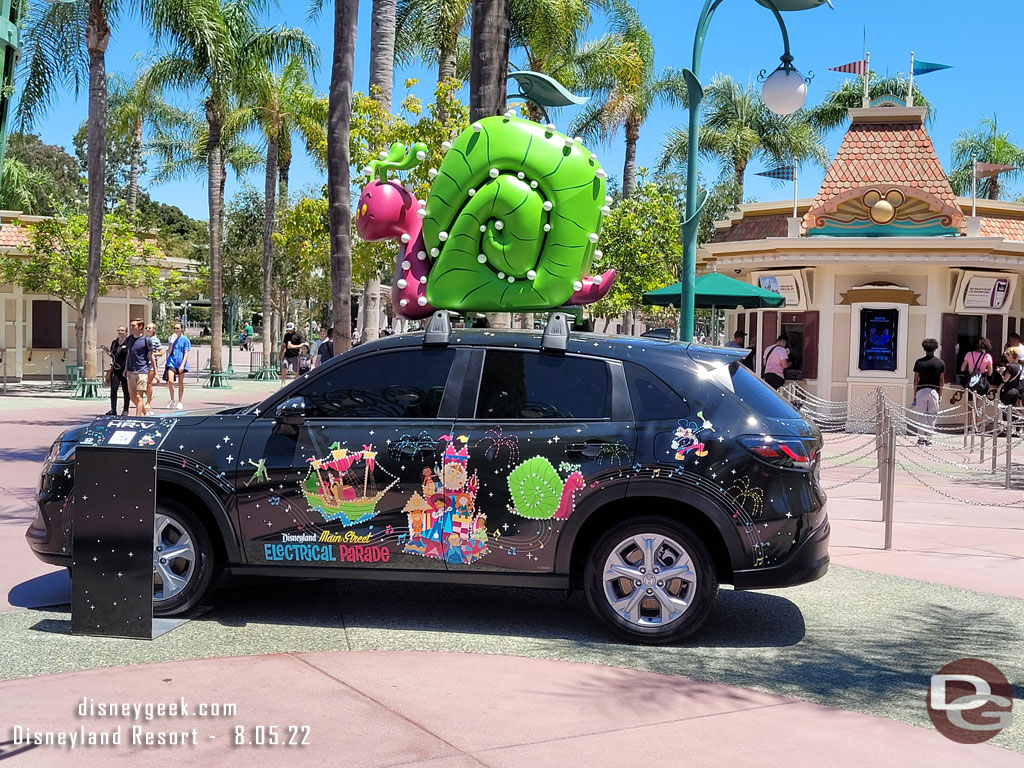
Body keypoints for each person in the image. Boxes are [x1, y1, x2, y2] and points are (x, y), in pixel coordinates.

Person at [911, 338, 944, 446]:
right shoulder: (940, 363)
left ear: (924, 348)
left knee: (921, 416)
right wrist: (940, 394)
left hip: (921, 390)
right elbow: (941, 380)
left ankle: (920, 439)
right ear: (935, 349)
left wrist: (914, 395)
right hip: (934, 391)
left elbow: (916, 379)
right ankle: (929, 440)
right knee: (932, 416)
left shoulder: (919, 362)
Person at [123, 319, 151, 415]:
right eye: (131, 326)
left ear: (140, 327)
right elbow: (128, 354)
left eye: (134, 326)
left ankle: (137, 417)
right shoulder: (129, 339)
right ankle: (145, 413)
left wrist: (154, 370)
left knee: (139, 396)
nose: (131, 328)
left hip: (142, 370)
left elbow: (150, 355)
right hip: (131, 370)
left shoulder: (146, 340)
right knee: (132, 397)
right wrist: (125, 369)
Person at [101, 325, 130, 416]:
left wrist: (128, 369)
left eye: (122, 330)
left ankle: (125, 409)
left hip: (125, 369)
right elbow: (112, 355)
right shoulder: (114, 343)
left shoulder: (128, 342)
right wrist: (107, 351)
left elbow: (130, 356)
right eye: (119, 330)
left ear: (126, 332)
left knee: (126, 390)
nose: (120, 332)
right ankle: (113, 409)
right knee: (114, 389)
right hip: (116, 369)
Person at [164, 321, 191, 410]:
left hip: (181, 363)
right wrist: (171, 343)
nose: (175, 330)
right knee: (171, 381)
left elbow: (186, 352)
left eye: (177, 328)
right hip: (171, 362)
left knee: (180, 382)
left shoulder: (185, 340)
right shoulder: (170, 338)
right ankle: (172, 399)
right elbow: (169, 352)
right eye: (174, 328)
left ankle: (180, 401)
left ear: (181, 329)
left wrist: (182, 365)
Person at [144, 322, 163, 412]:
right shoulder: (143, 339)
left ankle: (148, 402)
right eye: (146, 328)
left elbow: (160, 352)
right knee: (141, 382)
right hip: (142, 363)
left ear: (153, 330)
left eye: (149, 328)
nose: (147, 329)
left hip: (151, 363)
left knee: (149, 383)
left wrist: (152, 354)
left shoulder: (155, 340)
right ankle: (149, 395)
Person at [280, 321, 304, 386]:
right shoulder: (286, 335)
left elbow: (302, 344)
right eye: (288, 330)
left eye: (290, 330)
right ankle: (282, 384)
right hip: (287, 356)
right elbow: (283, 345)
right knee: (284, 368)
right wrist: (280, 354)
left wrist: (294, 346)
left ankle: (296, 384)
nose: (289, 331)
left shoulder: (298, 334)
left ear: (294, 328)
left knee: (296, 371)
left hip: (295, 356)